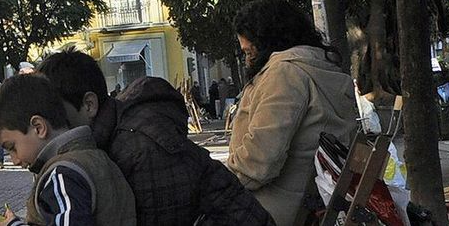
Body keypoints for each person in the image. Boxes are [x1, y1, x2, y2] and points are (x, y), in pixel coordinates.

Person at [40, 50, 274, 226]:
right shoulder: (111, 138)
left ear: (89, 104)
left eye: (57, 116)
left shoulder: (139, 147)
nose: (49, 131)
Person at [226, 0, 358, 226]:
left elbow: (259, 163)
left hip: (275, 209)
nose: (248, 61)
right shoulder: (321, 68)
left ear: (266, 43)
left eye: (249, 52)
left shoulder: (284, 74)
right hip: (313, 202)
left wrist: (218, 180)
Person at [0, 73, 137, 226]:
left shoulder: (63, 173)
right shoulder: (98, 157)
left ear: (38, 127)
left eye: (12, 148)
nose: (15, 160)